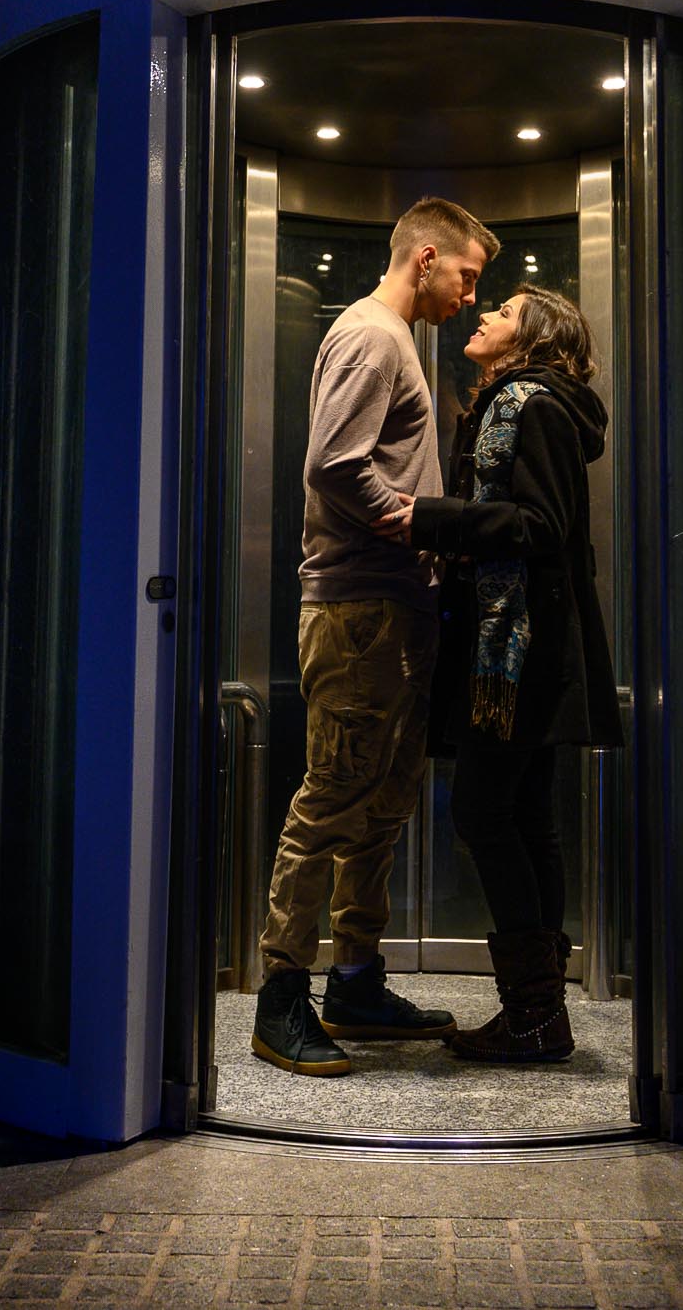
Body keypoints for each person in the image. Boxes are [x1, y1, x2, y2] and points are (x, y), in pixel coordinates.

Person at [250, 197, 499, 1078]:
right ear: (426, 256)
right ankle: (282, 995)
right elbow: (333, 461)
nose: (471, 297)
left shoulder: (397, 341)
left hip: (393, 609)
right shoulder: (372, 335)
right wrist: (417, 522)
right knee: (331, 795)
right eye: (467, 276)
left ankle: (354, 978)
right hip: (357, 607)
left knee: (384, 798)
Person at [377, 285, 617, 1063]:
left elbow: (540, 527)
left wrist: (431, 516)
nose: (485, 317)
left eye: (505, 312)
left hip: (517, 654)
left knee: (484, 814)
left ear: (532, 338)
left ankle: (535, 1010)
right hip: (520, 648)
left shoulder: (534, 407)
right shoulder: (508, 406)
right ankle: (541, 1015)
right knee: (529, 818)